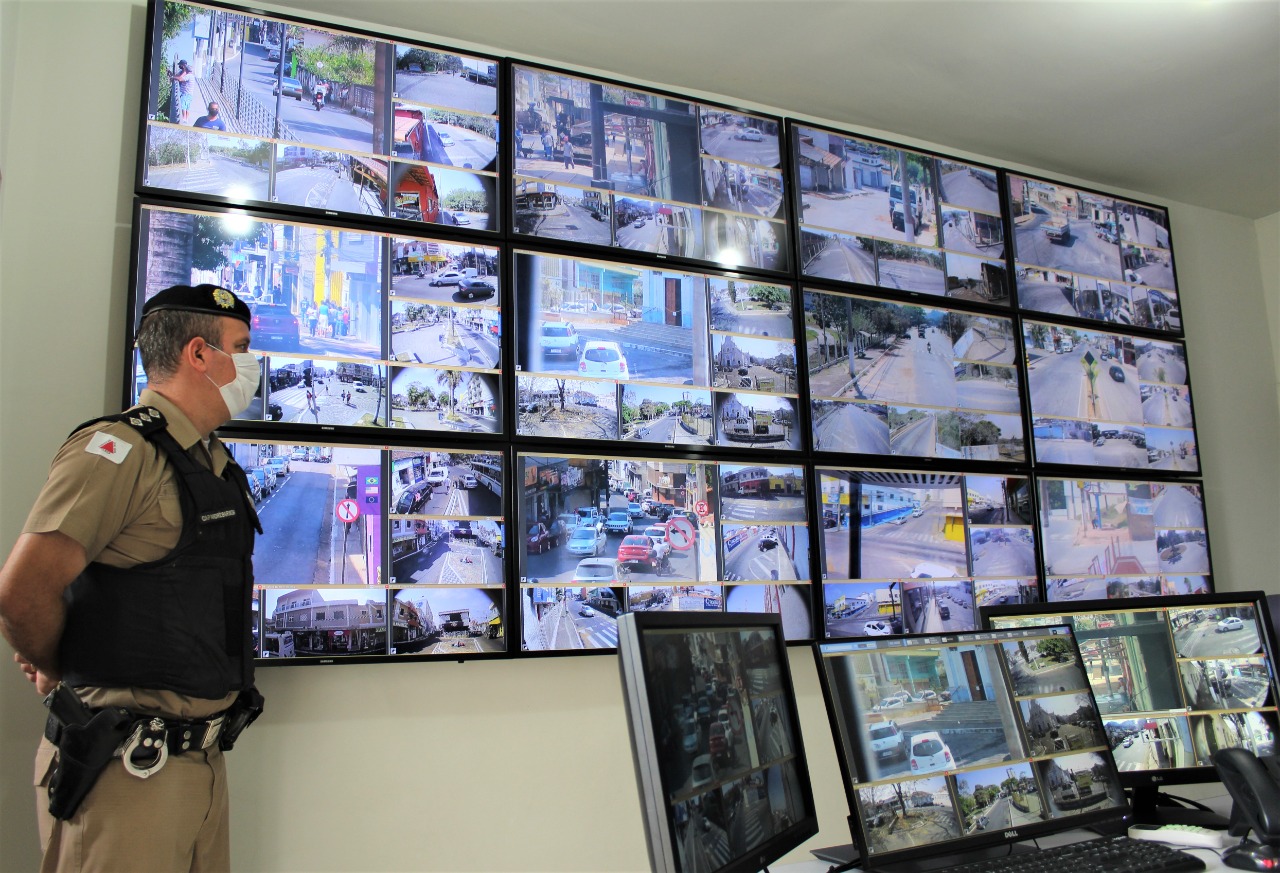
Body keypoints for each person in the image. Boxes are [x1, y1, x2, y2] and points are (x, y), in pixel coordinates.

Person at [0, 284, 265, 871]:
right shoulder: (118, 451)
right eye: (242, 348)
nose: (252, 365)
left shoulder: (211, 462)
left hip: (199, 763)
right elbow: (21, 592)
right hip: (127, 769)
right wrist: (57, 664)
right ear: (199, 354)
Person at [169, 60, 195, 124]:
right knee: (187, 107)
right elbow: (177, 76)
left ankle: (184, 119)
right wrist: (172, 75)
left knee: (183, 106)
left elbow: (180, 79)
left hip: (185, 93)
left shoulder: (188, 76)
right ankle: (186, 119)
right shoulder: (192, 76)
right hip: (189, 94)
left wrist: (173, 77)